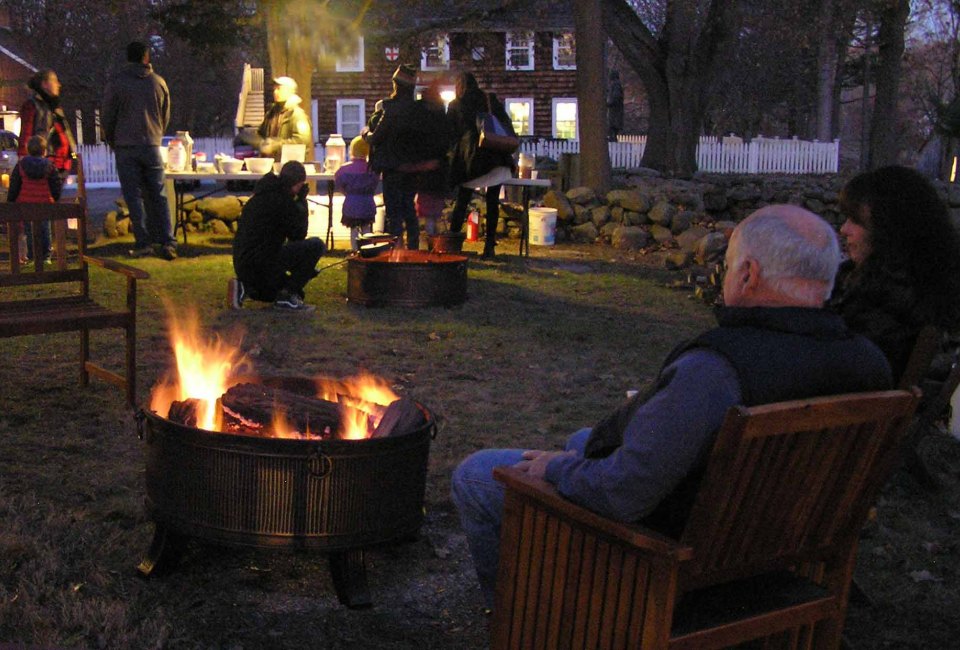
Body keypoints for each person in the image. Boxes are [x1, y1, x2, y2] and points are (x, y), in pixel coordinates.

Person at [451, 205, 893, 608]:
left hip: (683, 557)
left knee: (477, 475)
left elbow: (623, 493)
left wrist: (555, 470)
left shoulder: (717, 370)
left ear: (748, 275)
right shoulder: (870, 364)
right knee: (583, 440)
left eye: (729, 265)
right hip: (781, 540)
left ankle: (522, 617)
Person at [831, 165, 960, 381]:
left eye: (855, 220)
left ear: (887, 228)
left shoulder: (883, 298)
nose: (844, 230)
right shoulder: (936, 283)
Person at [101, 41, 176, 261]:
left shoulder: (117, 84)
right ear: (146, 57)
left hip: (126, 146)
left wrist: (113, 140)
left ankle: (143, 242)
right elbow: (165, 114)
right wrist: (156, 133)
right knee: (158, 194)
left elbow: (107, 116)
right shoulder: (158, 83)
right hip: (152, 144)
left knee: (133, 197)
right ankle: (167, 241)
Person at [230, 161, 325, 312]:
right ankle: (286, 296)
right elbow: (298, 235)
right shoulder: (283, 201)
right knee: (316, 245)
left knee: (293, 291)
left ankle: (244, 286)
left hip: (243, 263)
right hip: (262, 262)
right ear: (298, 184)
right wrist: (301, 203)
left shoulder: (259, 196)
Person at [446, 72, 516, 259]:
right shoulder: (489, 99)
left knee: (462, 201)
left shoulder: (455, 105)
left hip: (471, 161)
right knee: (492, 202)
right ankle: (489, 247)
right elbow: (506, 125)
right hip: (496, 157)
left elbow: (451, 135)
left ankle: (452, 245)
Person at [17, 69, 77, 261]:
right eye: (55, 81)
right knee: (37, 209)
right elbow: (26, 135)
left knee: (47, 210)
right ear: (44, 84)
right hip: (43, 165)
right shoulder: (33, 106)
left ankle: (44, 252)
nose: (58, 85)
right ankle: (39, 253)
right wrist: (27, 163)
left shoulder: (53, 106)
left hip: (58, 166)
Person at [364, 63, 421, 250]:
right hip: (411, 167)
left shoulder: (391, 109)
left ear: (396, 85)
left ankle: (397, 250)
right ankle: (413, 248)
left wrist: (365, 133)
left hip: (393, 168)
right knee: (409, 210)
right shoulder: (416, 110)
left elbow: (376, 137)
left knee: (394, 212)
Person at [7, 135, 62, 264]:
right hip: (44, 202)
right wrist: (55, 198)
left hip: (26, 203)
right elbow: (55, 184)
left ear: (28, 150)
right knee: (45, 229)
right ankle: (46, 256)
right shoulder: (50, 166)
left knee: (29, 230)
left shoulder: (21, 165)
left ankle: (32, 256)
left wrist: (11, 201)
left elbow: (15, 184)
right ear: (44, 150)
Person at [412, 81, 454, 239]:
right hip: (437, 167)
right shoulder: (440, 114)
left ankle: (428, 237)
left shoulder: (419, 112)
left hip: (423, 167)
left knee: (427, 207)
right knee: (434, 209)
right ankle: (433, 237)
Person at [334, 136, 379, 251]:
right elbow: (375, 184)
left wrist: (348, 193)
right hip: (367, 202)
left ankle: (355, 251)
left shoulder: (344, 170)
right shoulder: (372, 169)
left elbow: (339, 184)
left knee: (353, 229)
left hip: (351, 203)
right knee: (366, 228)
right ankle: (367, 250)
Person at [256, 76, 312, 161]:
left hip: (289, 164)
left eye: (279, 89)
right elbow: (261, 135)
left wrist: (276, 145)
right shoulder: (271, 114)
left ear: (289, 91)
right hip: (269, 164)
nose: (275, 92)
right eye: (274, 89)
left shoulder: (297, 115)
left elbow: (301, 141)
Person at [607, 69, 624, 141]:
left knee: (613, 126)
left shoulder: (616, 84)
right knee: (612, 126)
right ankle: (612, 137)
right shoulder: (615, 84)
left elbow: (616, 96)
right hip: (615, 110)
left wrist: (609, 103)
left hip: (615, 110)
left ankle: (613, 138)